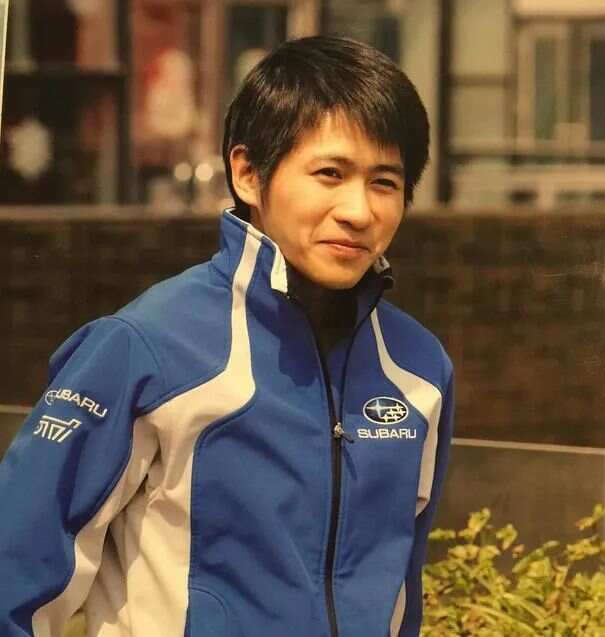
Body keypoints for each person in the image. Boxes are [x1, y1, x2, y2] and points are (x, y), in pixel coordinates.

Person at [0, 35, 453, 637]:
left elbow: (402, 597)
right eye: (330, 173)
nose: (358, 210)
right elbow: (17, 576)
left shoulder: (420, 370)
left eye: (385, 182)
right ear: (247, 173)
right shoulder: (143, 345)